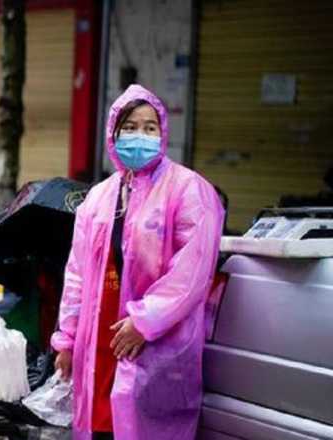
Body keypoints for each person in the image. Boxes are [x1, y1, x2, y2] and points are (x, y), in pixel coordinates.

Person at [51, 85, 224, 440]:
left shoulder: (189, 190)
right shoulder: (98, 197)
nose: (140, 136)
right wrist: (67, 340)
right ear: (113, 133)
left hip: (158, 339)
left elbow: (191, 273)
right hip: (100, 333)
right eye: (130, 127)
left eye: (150, 127)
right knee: (100, 425)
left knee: (142, 425)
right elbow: (77, 274)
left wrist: (145, 322)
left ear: (163, 134)